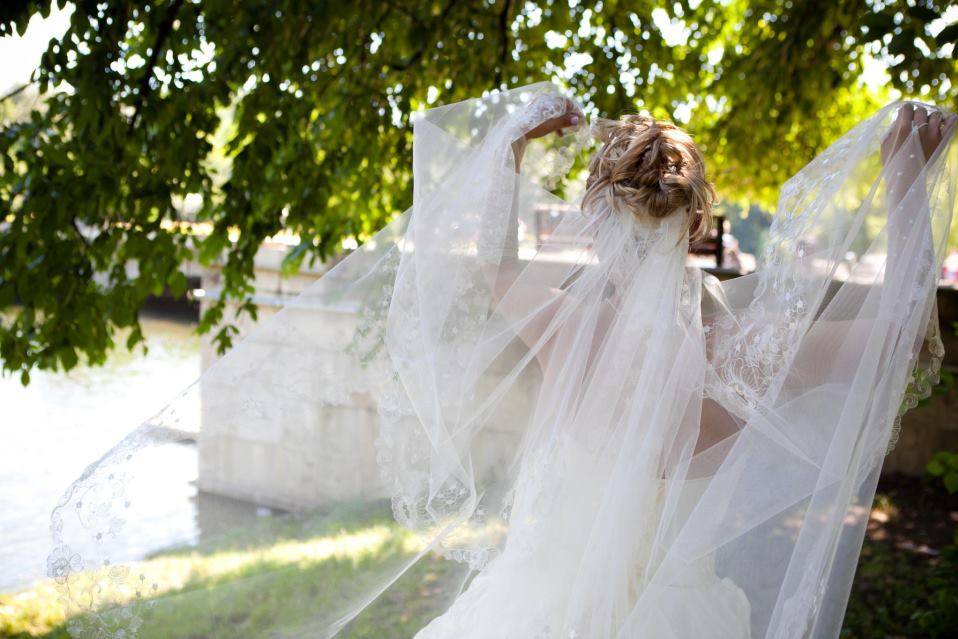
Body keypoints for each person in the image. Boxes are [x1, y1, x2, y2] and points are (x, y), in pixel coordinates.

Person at [48, 84, 956, 639]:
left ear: (601, 217)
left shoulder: (566, 331)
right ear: (695, 220)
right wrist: (910, 175)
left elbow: (492, 269)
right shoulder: (737, 356)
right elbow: (902, 338)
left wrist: (512, 153)